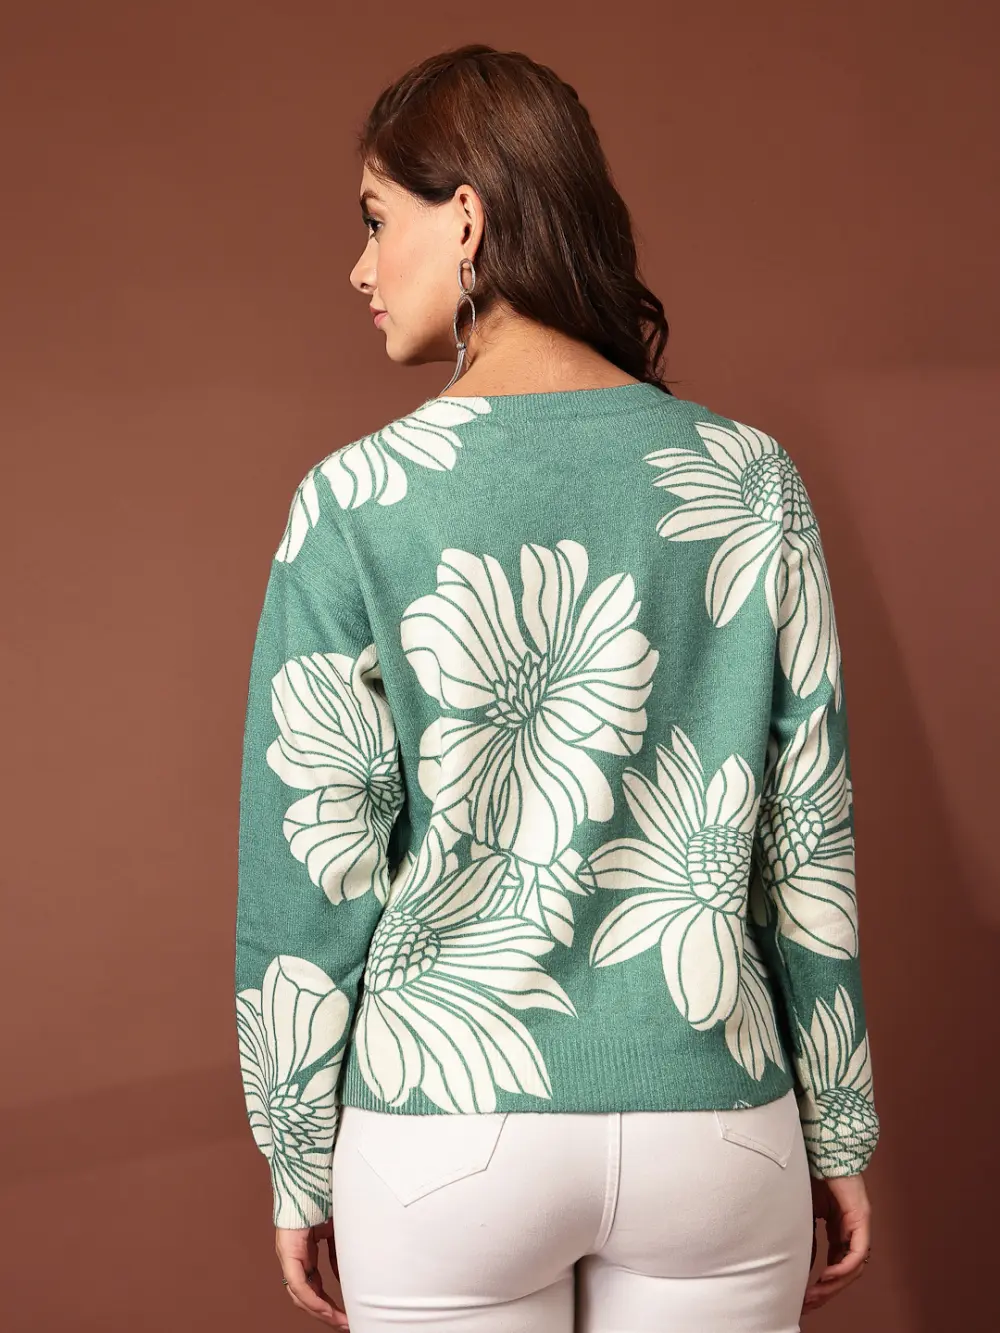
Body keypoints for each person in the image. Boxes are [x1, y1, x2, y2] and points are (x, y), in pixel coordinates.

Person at [234, 43, 879, 1332]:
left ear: (466, 218)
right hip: (714, 1114)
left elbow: (310, 867)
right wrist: (839, 1121)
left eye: (377, 220)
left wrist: (296, 1153)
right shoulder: (752, 477)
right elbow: (805, 833)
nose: (359, 268)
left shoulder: (351, 502)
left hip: (442, 1130)